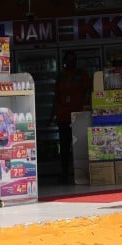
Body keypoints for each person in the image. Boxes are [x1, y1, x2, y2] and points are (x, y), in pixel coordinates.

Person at [50, 51, 91, 183]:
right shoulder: (60, 77)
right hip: (64, 117)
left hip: (79, 116)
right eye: (69, 60)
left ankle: (83, 173)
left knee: (81, 146)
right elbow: (56, 97)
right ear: (64, 61)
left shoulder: (82, 75)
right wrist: (52, 116)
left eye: (73, 59)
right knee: (65, 147)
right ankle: (65, 173)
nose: (71, 62)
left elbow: (89, 93)